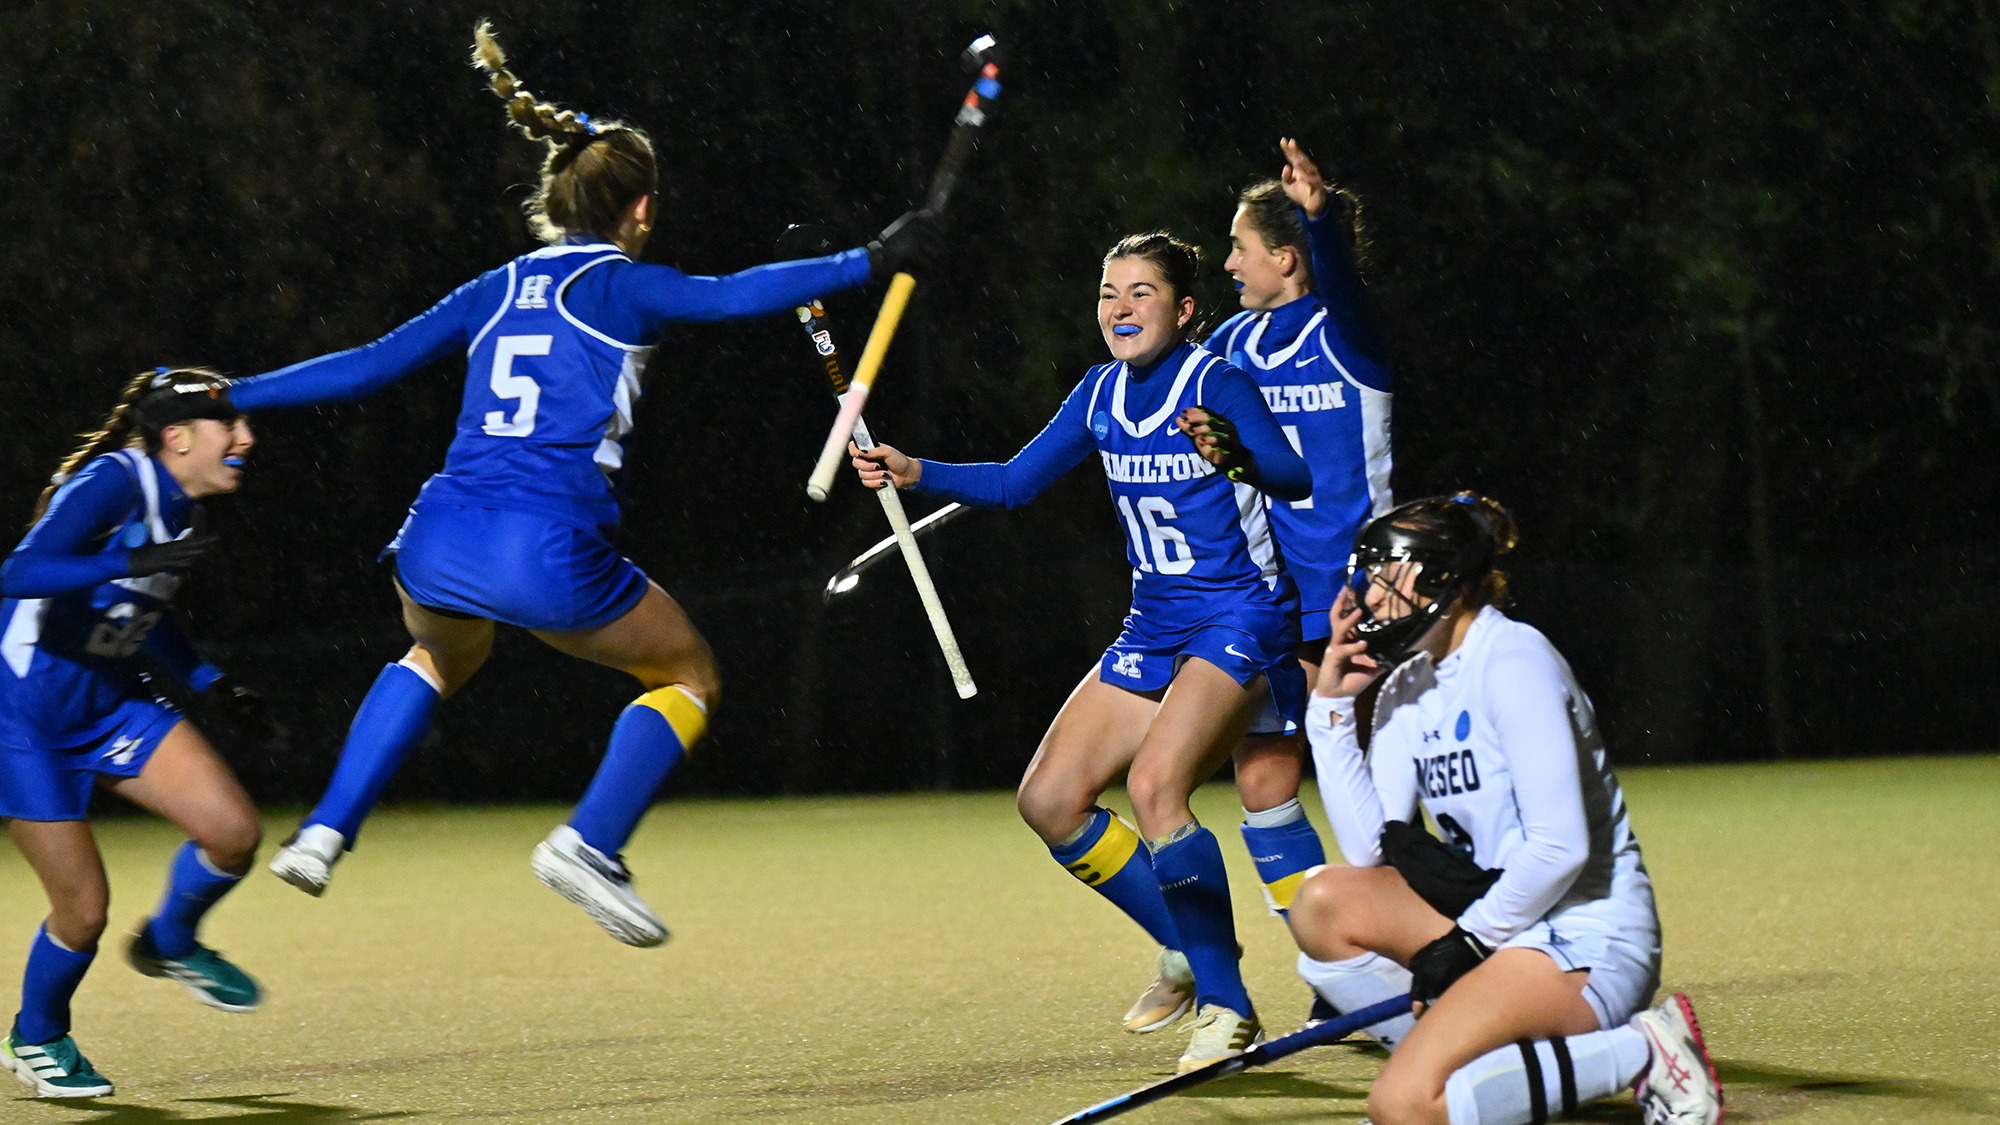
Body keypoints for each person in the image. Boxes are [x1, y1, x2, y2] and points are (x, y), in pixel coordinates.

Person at [154, 22, 935, 947]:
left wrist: (234, 391)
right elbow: (730, 296)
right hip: (543, 548)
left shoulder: (497, 286)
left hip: (436, 538)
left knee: (437, 656)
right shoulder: (620, 286)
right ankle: (589, 842)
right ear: (639, 209)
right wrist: (874, 258)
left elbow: (367, 366)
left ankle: (326, 828)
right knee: (688, 672)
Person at [850, 232, 1311, 1072]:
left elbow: (1292, 474)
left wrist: (1237, 451)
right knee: (1050, 799)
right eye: (1109, 292)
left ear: (1184, 308)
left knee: (1154, 785)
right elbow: (1014, 482)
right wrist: (917, 469)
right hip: (1155, 624)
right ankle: (1186, 941)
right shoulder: (1099, 393)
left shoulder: (1217, 381)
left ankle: (1228, 1006)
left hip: (1238, 616)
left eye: (1141, 292)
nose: (1121, 308)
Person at [1286, 493, 1723, 1125]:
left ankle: (1644, 1050)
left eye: (1387, 575)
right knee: (1324, 903)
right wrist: (1328, 713)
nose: (1370, 594)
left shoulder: (1513, 661)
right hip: (1502, 922)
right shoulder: (1409, 683)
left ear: (1441, 579)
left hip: (1583, 936)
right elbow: (1368, 852)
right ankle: (1481, 1077)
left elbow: (1560, 848)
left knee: (1400, 1106)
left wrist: (1466, 943)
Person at [1, 368, 274, 1098]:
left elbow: (140, 610)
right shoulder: (117, 479)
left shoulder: (185, 507)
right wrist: (126, 558)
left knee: (232, 832)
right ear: (177, 437)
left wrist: (213, 681)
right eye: (231, 425)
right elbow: (17, 571)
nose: (247, 437)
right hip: (23, 714)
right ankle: (35, 1035)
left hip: (111, 700)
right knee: (83, 911)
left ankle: (171, 940)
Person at [1205, 138, 1394, 947]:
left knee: (1377, 780)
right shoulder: (1234, 347)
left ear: (1285, 258)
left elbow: (1344, 289)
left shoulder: (1349, 336)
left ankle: (1413, 946)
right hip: (1277, 601)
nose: (1227, 265)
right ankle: (1334, 961)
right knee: (1261, 776)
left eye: (1240, 250)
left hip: (1362, 589)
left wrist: (1325, 225)